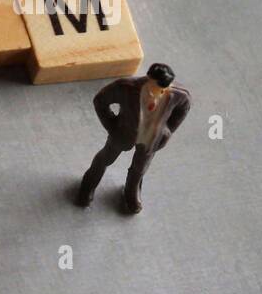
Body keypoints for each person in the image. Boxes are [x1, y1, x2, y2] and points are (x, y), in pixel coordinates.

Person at [77, 62, 190, 214]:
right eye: (157, 88)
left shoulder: (178, 94)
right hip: (124, 132)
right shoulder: (125, 87)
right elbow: (100, 101)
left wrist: (167, 130)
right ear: (149, 78)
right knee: (105, 158)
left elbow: (183, 108)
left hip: (151, 139)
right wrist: (112, 125)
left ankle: (131, 191)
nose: (160, 93)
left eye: (164, 89)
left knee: (140, 168)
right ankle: (88, 185)